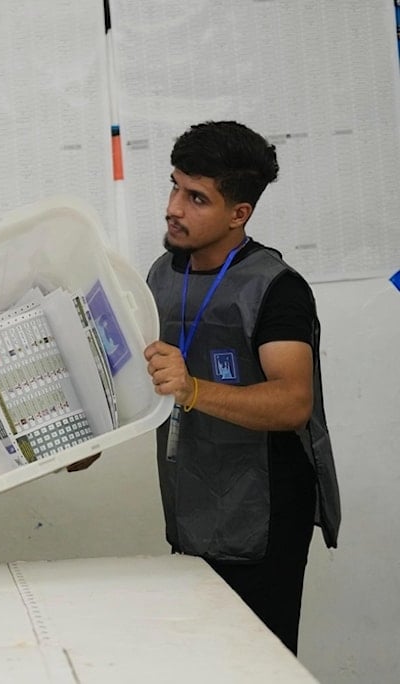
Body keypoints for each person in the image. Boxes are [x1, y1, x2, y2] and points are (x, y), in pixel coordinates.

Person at [142, 120, 340, 654]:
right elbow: (140, 378)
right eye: (175, 186)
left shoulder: (277, 289)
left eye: (196, 197)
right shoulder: (163, 274)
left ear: (239, 214)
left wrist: (194, 391)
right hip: (193, 504)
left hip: (265, 513)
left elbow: (294, 402)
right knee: (202, 661)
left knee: (257, 663)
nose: (174, 208)